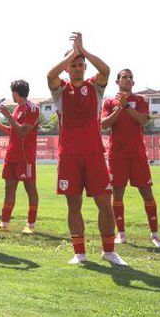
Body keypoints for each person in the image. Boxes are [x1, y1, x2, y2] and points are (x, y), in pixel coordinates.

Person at [47, 32, 126, 265]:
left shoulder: (95, 87)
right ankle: (79, 253)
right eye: (74, 64)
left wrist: (84, 50)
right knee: (74, 205)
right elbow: (50, 74)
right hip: (69, 156)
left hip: (94, 155)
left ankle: (109, 251)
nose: (79, 67)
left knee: (104, 203)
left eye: (81, 64)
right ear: (67, 68)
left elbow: (106, 71)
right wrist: (73, 52)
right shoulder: (60, 89)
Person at [101, 69, 160, 247]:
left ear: (133, 83)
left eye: (130, 78)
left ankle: (155, 235)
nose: (128, 80)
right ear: (117, 82)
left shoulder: (141, 100)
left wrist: (126, 106)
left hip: (137, 155)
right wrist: (118, 108)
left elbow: (143, 120)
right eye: (124, 77)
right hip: (117, 156)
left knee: (147, 194)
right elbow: (104, 125)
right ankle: (121, 234)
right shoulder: (109, 102)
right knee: (117, 194)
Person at [0, 80, 40, 233]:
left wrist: (8, 116)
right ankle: (4, 224)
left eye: (13, 92)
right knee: (9, 189)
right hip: (12, 156)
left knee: (30, 189)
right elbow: (13, 131)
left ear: (16, 93)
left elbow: (23, 131)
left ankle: (30, 225)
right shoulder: (18, 109)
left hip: (25, 157)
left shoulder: (32, 109)